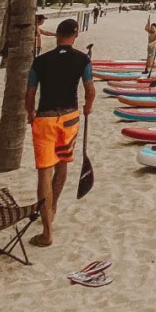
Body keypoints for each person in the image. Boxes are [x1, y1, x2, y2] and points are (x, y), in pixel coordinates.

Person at [25, 18, 94, 247]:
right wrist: (88, 107)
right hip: (70, 119)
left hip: (44, 118)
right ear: (74, 35)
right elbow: (90, 90)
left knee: (44, 172)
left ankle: (47, 231)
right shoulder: (83, 59)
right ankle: (51, 209)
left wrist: (30, 113)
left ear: (56, 35)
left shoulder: (40, 61)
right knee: (62, 166)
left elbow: (30, 93)